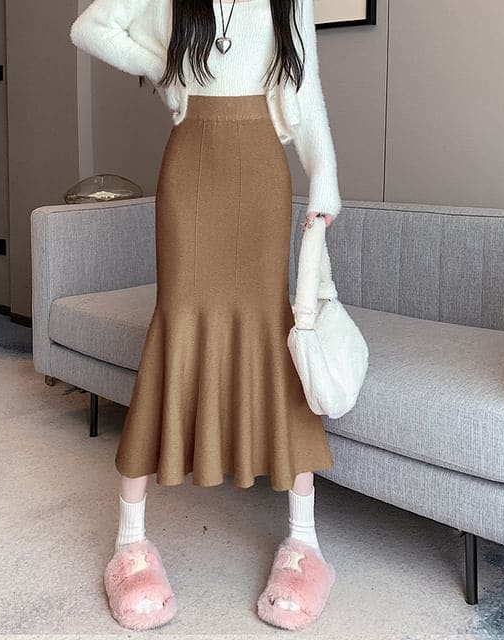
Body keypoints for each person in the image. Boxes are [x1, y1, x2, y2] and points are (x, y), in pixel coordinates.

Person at [70, 0, 342, 631]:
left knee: (274, 332)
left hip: (262, 170)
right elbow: (89, 27)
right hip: (190, 166)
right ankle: (130, 542)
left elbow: (305, 88)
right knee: (176, 324)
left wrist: (324, 177)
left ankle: (305, 543)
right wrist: (163, 64)